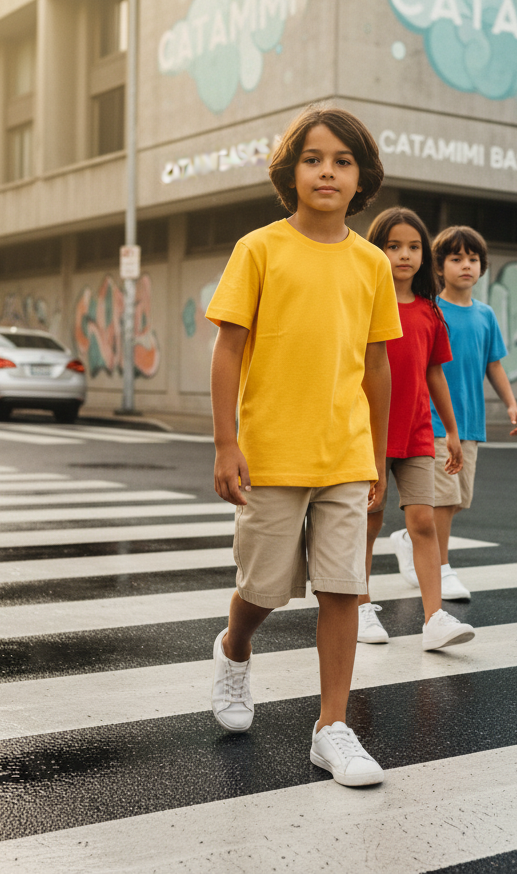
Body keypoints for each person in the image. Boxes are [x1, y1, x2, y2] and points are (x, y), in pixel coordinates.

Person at [205, 104, 401, 787]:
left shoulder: (373, 263)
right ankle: (234, 650)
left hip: (345, 452)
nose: (327, 171)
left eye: (342, 161)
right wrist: (226, 443)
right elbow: (228, 348)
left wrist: (376, 457)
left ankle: (332, 727)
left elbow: (378, 366)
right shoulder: (259, 249)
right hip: (270, 454)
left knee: (343, 588)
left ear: (361, 178)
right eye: (314, 158)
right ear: (291, 171)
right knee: (261, 588)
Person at [359, 207, 474, 651]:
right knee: (367, 523)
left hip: (417, 432)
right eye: (393, 246)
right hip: (369, 432)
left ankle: (434, 618)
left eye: (413, 247)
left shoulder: (430, 310)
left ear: (424, 254)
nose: (404, 255)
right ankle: (360, 607)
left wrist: (451, 430)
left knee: (423, 520)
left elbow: (434, 373)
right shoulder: (366, 303)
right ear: (377, 250)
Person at [391, 225, 517, 601]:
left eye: (473, 259)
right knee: (444, 500)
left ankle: (407, 537)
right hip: (431, 420)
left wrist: (511, 403)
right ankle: (443, 568)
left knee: (457, 500)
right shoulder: (433, 309)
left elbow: (493, 365)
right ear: (438, 266)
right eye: (456, 258)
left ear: (482, 266)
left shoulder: (485, 315)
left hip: (470, 422)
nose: (466, 265)